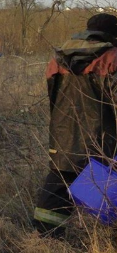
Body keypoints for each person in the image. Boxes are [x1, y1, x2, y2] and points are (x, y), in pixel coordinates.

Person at [33, 13, 117, 238]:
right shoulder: (111, 58)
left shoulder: (59, 58)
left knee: (58, 184)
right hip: (103, 139)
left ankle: (44, 239)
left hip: (63, 134)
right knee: (107, 188)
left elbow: (53, 97)